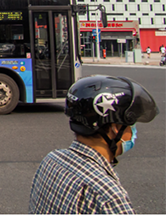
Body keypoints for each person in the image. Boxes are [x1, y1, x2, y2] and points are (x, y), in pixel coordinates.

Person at [29, 75, 159, 214]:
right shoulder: (108, 196)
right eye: (131, 125)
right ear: (115, 128)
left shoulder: (51, 160)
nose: (133, 132)